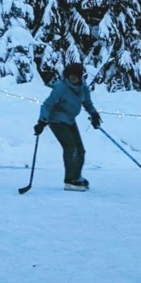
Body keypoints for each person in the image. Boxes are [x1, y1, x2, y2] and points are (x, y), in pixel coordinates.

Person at [34, 61, 102, 191]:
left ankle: (76, 176)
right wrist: (42, 121)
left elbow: (87, 104)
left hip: (69, 120)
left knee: (80, 150)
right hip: (56, 120)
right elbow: (47, 105)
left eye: (76, 75)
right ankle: (70, 179)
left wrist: (94, 114)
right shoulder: (60, 88)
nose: (73, 77)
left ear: (80, 76)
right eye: (71, 75)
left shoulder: (83, 88)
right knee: (71, 147)